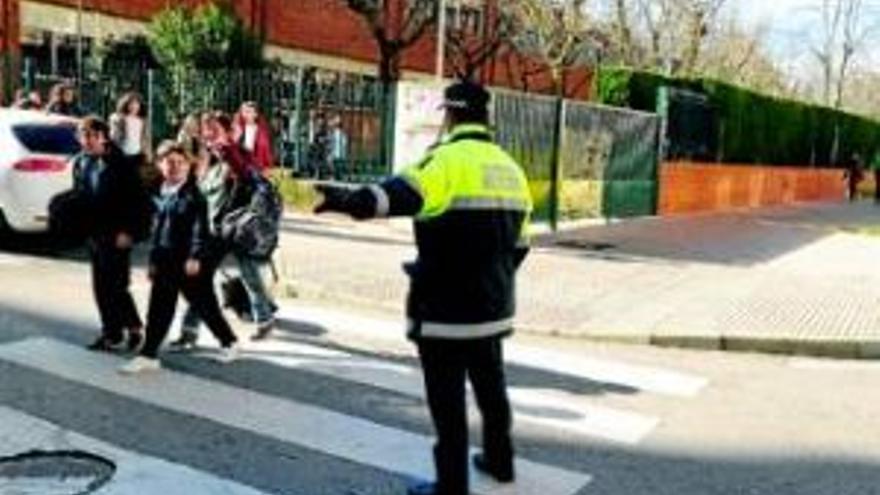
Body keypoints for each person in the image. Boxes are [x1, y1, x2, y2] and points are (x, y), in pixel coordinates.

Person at [314, 81, 532, 495]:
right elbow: (520, 246)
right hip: (493, 307)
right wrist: (494, 279)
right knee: (491, 387)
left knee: (447, 402)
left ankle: (451, 487)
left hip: (444, 311)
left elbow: (386, 198)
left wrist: (342, 199)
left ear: (448, 116)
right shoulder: (511, 168)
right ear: (486, 118)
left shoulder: (443, 162)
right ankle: (500, 463)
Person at [119, 141, 240, 374]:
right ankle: (149, 354)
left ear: (188, 166)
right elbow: (156, 231)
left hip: (188, 262)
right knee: (160, 308)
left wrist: (195, 257)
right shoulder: (158, 191)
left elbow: (199, 229)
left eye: (180, 162)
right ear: (160, 164)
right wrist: (153, 262)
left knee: (204, 305)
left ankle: (229, 342)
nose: (174, 167)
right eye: (169, 162)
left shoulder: (194, 196)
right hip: (165, 259)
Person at [170, 112, 277, 349]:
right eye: (205, 128)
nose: (207, 133)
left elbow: (243, 172)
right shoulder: (211, 157)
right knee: (204, 280)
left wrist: (226, 147)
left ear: (228, 132)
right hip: (217, 230)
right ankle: (190, 332)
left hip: (239, 229)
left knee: (249, 277)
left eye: (213, 128)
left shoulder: (236, 154)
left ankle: (264, 319)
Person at [71, 116, 145, 353]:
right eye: (84, 136)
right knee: (101, 286)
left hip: (117, 233)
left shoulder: (120, 163)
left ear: (104, 136)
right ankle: (112, 333)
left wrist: (129, 231)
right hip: (95, 232)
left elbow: (137, 201)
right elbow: (80, 194)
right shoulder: (82, 162)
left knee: (117, 284)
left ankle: (133, 326)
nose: (88, 140)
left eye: (93, 135)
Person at [110, 92, 150, 174]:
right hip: (122, 155)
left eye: (136, 104)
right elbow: (114, 136)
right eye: (131, 104)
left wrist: (147, 153)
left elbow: (144, 139)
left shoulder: (142, 121)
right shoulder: (119, 118)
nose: (134, 106)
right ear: (126, 105)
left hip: (137, 155)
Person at [234, 101, 274, 174]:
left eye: (248, 112)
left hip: (256, 164)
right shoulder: (237, 128)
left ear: (255, 114)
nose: (245, 114)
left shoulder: (262, 130)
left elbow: (266, 150)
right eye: (243, 111)